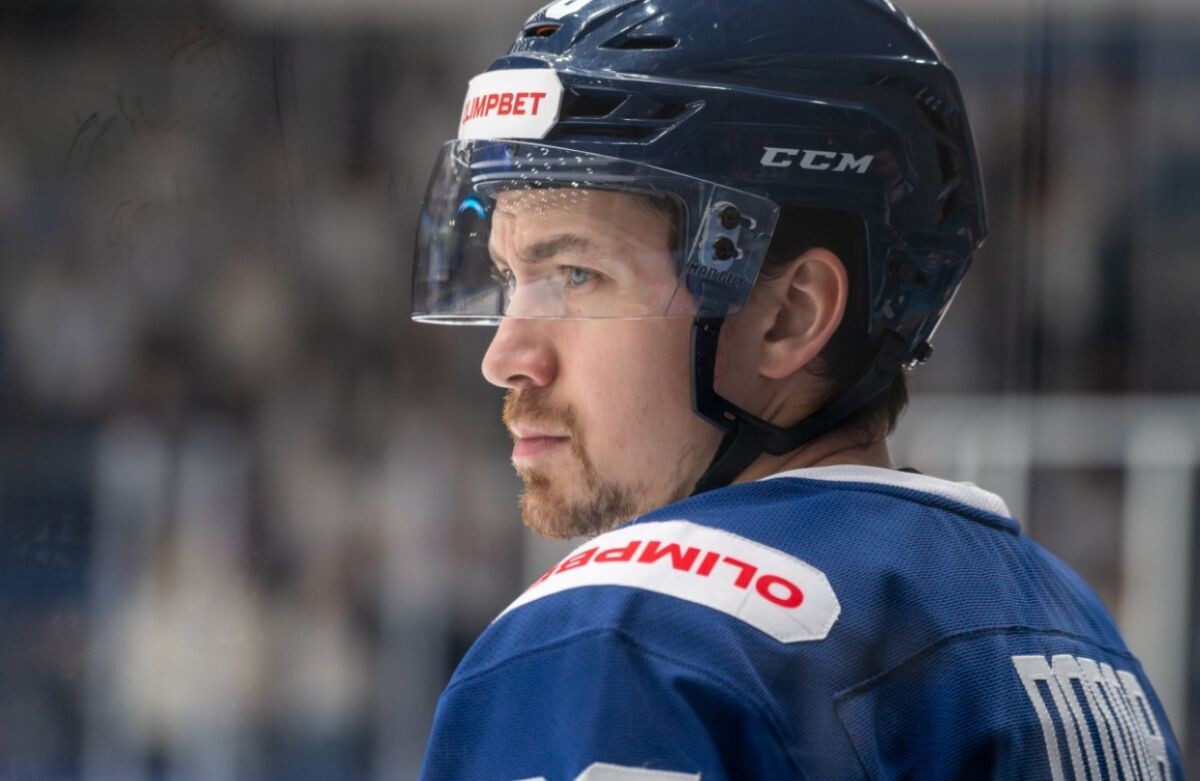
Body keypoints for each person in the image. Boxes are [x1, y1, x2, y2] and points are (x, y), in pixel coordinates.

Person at [410, 0, 1184, 778]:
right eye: (510, 277)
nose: (506, 357)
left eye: (577, 274)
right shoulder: (1077, 636)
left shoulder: (630, 635)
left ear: (790, 315)